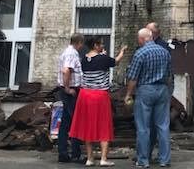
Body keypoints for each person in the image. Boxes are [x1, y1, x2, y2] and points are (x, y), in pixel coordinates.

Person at [69, 37, 127, 167]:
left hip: (85, 95)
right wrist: (122, 51)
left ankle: (90, 158)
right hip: (100, 95)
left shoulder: (84, 59)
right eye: (101, 44)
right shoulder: (103, 59)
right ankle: (103, 159)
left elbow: (96, 62)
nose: (103, 46)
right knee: (104, 126)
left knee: (87, 127)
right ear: (95, 45)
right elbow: (116, 61)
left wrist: (102, 56)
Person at [125, 28, 172, 168]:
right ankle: (164, 160)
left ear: (142, 39)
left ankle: (143, 160)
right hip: (162, 89)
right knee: (163, 126)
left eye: (138, 39)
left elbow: (133, 77)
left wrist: (128, 94)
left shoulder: (140, 53)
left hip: (145, 89)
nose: (138, 41)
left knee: (143, 127)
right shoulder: (164, 52)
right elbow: (169, 74)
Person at [57, 33, 85, 163]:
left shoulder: (68, 52)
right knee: (75, 121)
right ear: (79, 42)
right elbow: (66, 70)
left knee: (66, 122)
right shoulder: (71, 54)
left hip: (69, 90)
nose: (82, 46)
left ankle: (63, 153)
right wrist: (68, 88)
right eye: (81, 43)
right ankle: (75, 153)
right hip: (71, 92)